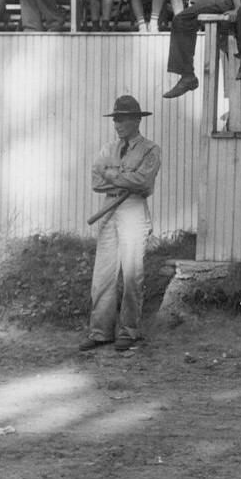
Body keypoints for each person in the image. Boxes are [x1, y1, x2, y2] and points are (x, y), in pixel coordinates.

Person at [80, 95, 162, 352]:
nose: (117, 124)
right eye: (115, 119)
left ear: (137, 120)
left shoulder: (150, 149)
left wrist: (112, 174)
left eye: (123, 118)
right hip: (109, 209)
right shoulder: (107, 149)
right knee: (103, 274)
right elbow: (96, 181)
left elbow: (144, 182)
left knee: (131, 274)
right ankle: (101, 332)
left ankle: (129, 331)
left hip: (133, 210)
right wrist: (124, 177)